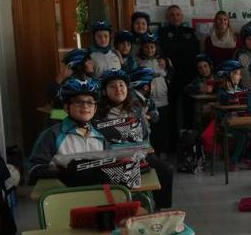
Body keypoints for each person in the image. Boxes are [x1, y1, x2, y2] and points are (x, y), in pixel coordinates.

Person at [95, 69, 174, 209]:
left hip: (138, 153)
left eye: (121, 85)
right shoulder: (97, 113)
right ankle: (128, 206)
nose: (118, 89)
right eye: (112, 86)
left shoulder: (135, 108)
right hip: (111, 158)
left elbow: (143, 136)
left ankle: (159, 208)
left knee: (166, 169)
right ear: (105, 91)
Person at [28, 78, 105, 180]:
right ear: (66, 107)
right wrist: (62, 173)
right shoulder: (51, 135)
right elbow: (34, 169)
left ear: (95, 108)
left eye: (90, 102)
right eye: (78, 101)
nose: (85, 106)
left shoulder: (100, 137)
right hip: (62, 194)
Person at [158, 5, 201, 132]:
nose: (175, 17)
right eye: (171, 15)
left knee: (189, 107)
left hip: (189, 75)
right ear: (167, 17)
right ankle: (173, 142)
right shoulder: (163, 33)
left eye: (177, 14)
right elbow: (161, 53)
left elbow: (196, 52)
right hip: (170, 76)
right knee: (171, 108)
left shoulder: (190, 32)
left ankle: (189, 137)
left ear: (182, 16)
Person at [136, 33, 172, 155]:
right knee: (151, 127)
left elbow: (170, 75)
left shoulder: (161, 61)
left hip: (163, 99)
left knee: (163, 127)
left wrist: (167, 63)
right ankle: (152, 152)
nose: (150, 50)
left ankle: (163, 151)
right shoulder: (139, 62)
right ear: (142, 48)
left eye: (152, 47)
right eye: (146, 47)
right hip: (147, 100)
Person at [216, 60, 251, 170]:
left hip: (239, 122)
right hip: (226, 123)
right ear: (227, 75)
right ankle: (233, 161)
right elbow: (225, 99)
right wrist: (234, 97)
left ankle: (246, 157)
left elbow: (250, 95)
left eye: (239, 73)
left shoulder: (242, 89)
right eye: (236, 73)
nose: (239, 76)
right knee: (242, 136)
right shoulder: (222, 91)